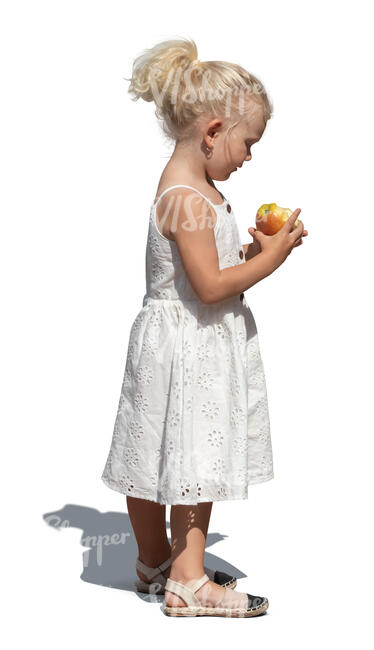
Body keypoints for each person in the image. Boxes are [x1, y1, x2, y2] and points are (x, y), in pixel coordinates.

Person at [101, 36, 307, 618]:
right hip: (191, 345)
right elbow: (214, 287)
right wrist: (274, 257)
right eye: (248, 142)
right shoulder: (189, 197)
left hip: (170, 339)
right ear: (213, 131)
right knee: (194, 459)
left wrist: (249, 247)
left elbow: (202, 270)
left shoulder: (183, 187)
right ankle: (188, 583)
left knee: (153, 454)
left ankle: (154, 560)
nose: (249, 157)